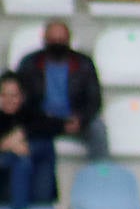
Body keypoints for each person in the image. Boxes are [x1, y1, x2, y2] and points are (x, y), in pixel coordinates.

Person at [15, 20, 108, 161]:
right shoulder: (30, 64)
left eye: (61, 39)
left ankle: (101, 176)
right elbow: (22, 100)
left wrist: (81, 119)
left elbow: (94, 99)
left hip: (74, 119)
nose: (57, 43)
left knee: (98, 129)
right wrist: (47, 122)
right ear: (45, 40)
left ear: (68, 40)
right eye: (53, 40)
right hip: (42, 121)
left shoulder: (84, 64)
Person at [0, 73, 60, 209]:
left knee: (25, 156)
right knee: (19, 157)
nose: (8, 100)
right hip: (4, 184)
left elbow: (55, 126)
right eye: (3, 95)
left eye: (14, 95)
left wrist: (21, 135)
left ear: (22, 96)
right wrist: (4, 145)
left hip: (36, 187)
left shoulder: (34, 117)